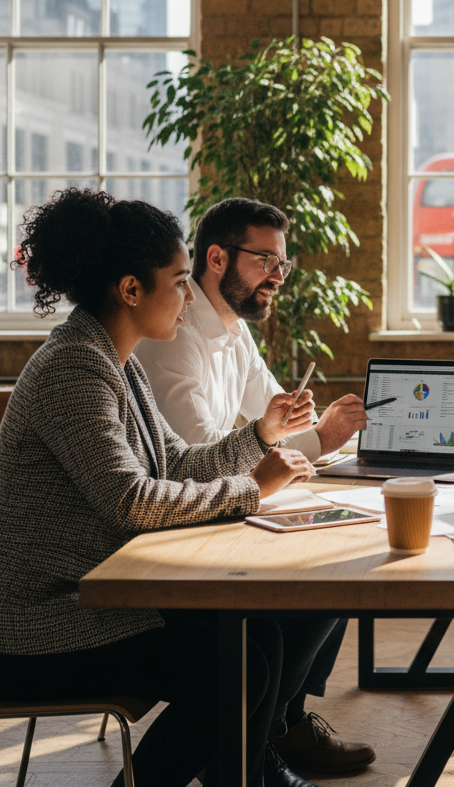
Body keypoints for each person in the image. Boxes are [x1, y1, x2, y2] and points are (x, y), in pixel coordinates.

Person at [0, 188, 338, 787]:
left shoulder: (114, 359)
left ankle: (248, 777)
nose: (189, 297)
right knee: (239, 669)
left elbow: (176, 460)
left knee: (258, 637)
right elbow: (130, 499)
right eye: (181, 281)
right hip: (45, 619)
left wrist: (259, 437)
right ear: (131, 290)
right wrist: (252, 490)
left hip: (98, 591)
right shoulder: (74, 368)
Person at [135, 197, 374, 776]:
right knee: (321, 580)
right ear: (216, 258)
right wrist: (277, 445)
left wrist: (326, 434)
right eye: (266, 260)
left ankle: (280, 726)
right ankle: (262, 739)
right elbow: (201, 464)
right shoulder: (173, 336)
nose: (278, 276)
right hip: (186, 526)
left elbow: (271, 430)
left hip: (216, 507)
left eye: (282, 264)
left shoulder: (233, 329)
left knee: (343, 557)